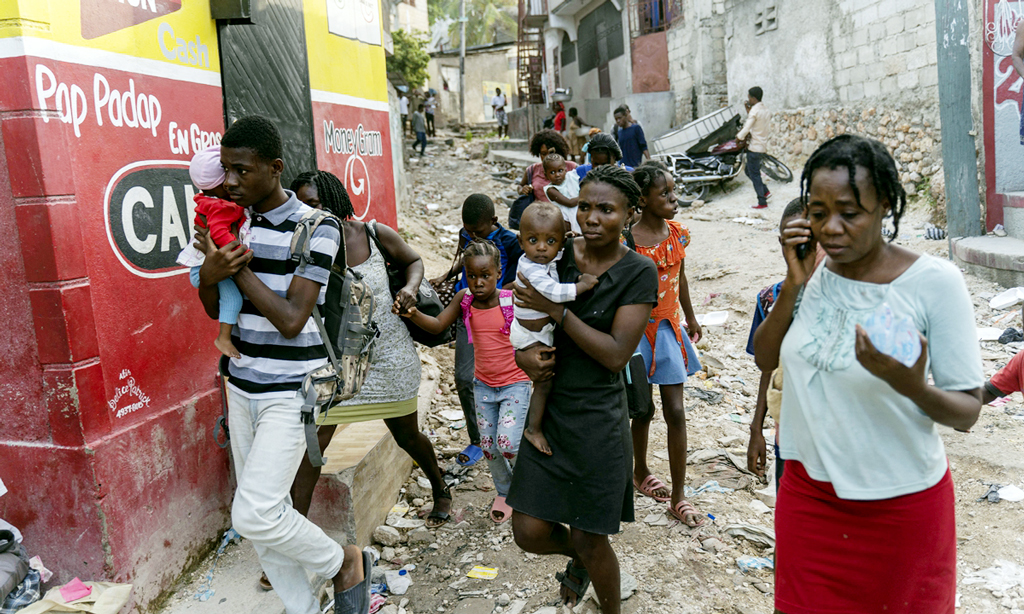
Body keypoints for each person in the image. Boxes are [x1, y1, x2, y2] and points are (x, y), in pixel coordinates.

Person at [753, 134, 984, 614]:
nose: (831, 229)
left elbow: (967, 412)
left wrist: (911, 386)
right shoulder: (816, 274)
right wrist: (794, 284)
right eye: (818, 213)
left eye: (849, 213)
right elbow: (764, 357)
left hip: (900, 513)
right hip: (808, 499)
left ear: (885, 207)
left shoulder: (934, 284)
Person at [192, 116, 371, 614]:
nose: (230, 181)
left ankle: (343, 562)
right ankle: (304, 608)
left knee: (253, 513)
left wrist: (234, 267)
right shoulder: (233, 219)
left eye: (242, 170)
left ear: (275, 167)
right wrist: (209, 272)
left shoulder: (318, 226)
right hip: (241, 385)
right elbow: (214, 308)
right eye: (225, 169)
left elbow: (292, 318)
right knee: (268, 514)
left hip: (291, 390)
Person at [508, 165, 658, 614]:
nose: (591, 218)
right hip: (551, 406)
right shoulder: (556, 250)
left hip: (597, 417)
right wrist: (522, 355)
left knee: (592, 539)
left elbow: (615, 354)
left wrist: (558, 311)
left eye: (606, 209)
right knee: (528, 531)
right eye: (585, 206)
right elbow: (521, 310)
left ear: (630, 214)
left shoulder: (638, 272)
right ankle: (579, 560)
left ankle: (604, 594)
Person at [288, 171, 452, 533]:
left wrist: (410, 289)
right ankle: (294, 532)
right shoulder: (303, 246)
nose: (308, 212)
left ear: (335, 201)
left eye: (314, 204)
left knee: (407, 436)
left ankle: (440, 488)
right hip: (340, 363)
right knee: (315, 445)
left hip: (391, 357)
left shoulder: (372, 234)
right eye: (302, 206)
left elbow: (413, 262)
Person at [404, 241, 529, 524]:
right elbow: (438, 325)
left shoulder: (509, 300)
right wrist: (413, 314)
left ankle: (528, 485)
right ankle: (505, 491)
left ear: (499, 273)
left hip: (515, 384)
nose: (478, 282)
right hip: (483, 386)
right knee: (489, 446)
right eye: (472, 276)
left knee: (508, 443)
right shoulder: (465, 300)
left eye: (485, 275)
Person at [627, 161, 703, 526]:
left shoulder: (678, 235)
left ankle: (679, 496)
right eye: (665, 193)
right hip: (636, 333)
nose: (674, 199)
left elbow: (680, 278)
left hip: (669, 330)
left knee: (675, 410)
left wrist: (691, 317)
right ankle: (639, 471)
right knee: (642, 410)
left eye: (673, 192)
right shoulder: (627, 241)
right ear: (642, 200)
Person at [429, 195, 523, 467]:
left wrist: (504, 291)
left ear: (493, 221)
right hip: (469, 313)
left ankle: (510, 432)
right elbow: (465, 261)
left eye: (477, 231)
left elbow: (521, 271)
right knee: (463, 377)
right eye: (468, 231)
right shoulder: (466, 234)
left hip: (500, 317)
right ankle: (478, 438)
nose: (472, 235)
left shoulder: (509, 241)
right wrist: (447, 276)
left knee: (505, 379)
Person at [745, 198, 825, 486]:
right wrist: (756, 429)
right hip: (790, 435)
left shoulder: (851, 292)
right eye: (792, 240)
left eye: (810, 239)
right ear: (782, 242)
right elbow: (769, 368)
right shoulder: (772, 299)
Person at [510, 203, 599, 455]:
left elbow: (556, 256)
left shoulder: (543, 258)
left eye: (550, 241)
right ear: (521, 242)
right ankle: (533, 429)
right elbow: (555, 293)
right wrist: (582, 285)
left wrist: (564, 242)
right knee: (544, 383)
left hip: (538, 332)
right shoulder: (530, 268)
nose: (541, 247)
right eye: (533, 240)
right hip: (531, 337)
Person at [177, 145, 248, 359]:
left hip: (206, 265)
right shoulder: (220, 206)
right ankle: (223, 338)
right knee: (233, 299)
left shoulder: (210, 201)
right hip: (205, 268)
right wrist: (238, 251)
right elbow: (217, 232)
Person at [517, 130, 578, 202]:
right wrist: (523, 190)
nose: (547, 157)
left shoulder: (571, 167)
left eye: (551, 153)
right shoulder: (532, 170)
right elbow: (520, 186)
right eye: (543, 154)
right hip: (540, 208)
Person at [737, 86, 772, 209]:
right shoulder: (765, 110)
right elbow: (757, 124)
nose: (748, 100)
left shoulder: (754, 111)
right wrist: (748, 110)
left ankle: (762, 202)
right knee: (749, 171)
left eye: (749, 98)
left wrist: (738, 138)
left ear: (753, 98)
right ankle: (765, 191)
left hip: (754, 147)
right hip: (762, 145)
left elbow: (747, 127)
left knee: (755, 174)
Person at [542, 153, 582, 234]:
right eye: (552, 172)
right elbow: (570, 203)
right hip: (566, 220)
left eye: (560, 171)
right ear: (546, 175)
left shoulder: (571, 177)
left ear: (565, 170)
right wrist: (585, 196)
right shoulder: (551, 190)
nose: (557, 175)